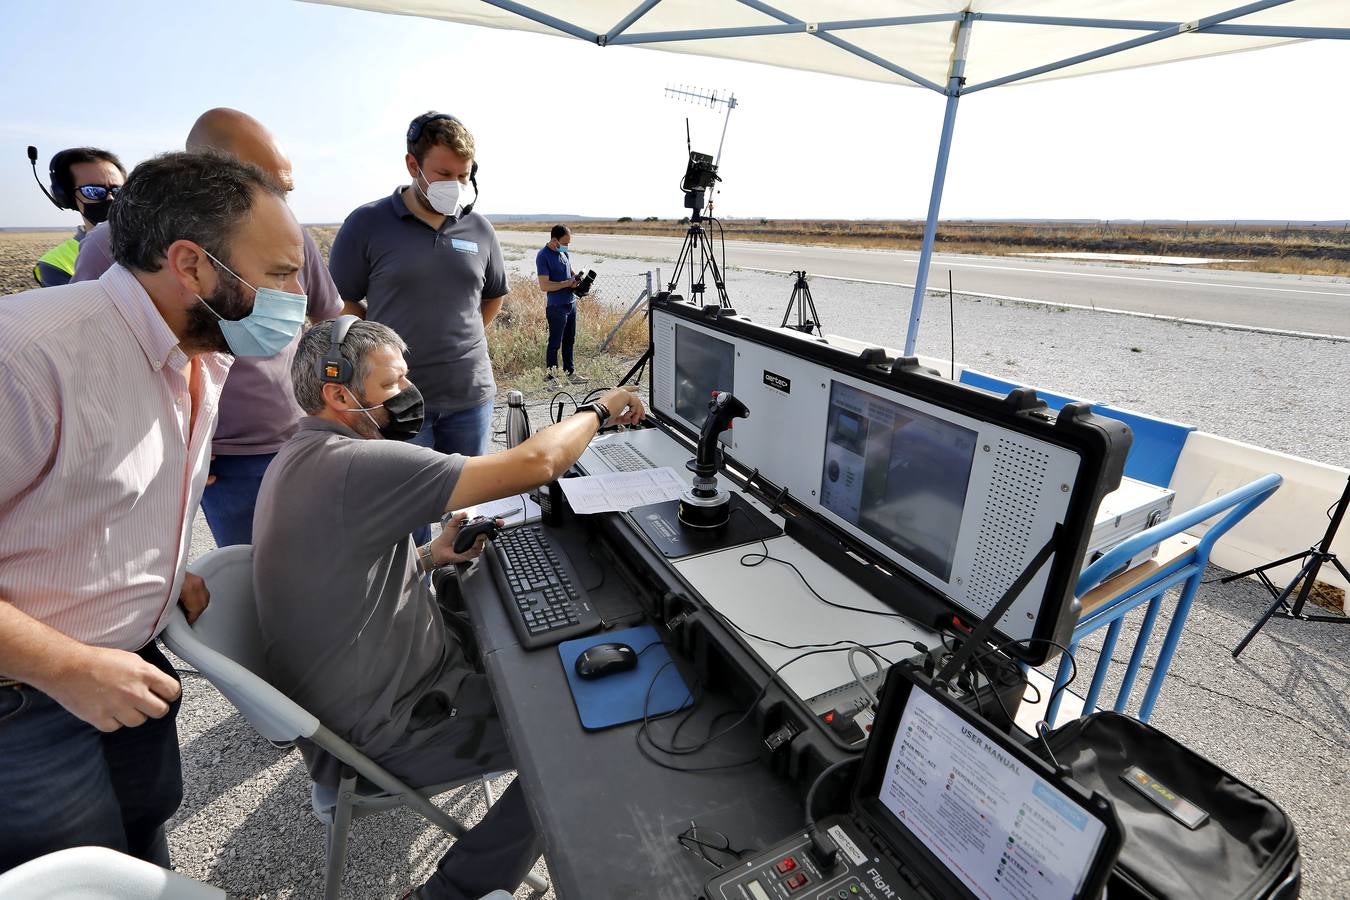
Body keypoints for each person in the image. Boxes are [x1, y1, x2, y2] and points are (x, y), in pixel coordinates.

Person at [253, 317, 643, 899]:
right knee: (578, 743)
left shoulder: (305, 453)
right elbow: (535, 465)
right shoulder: (355, 465)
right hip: (390, 728)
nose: (409, 396)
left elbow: (344, 576)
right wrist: (600, 409)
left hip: (373, 692)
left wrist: (430, 557)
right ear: (339, 395)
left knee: (529, 638)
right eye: (391, 386)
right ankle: (453, 893)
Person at [0, 151, 307, 874]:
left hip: (127, 666)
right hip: (30, 700)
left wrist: (158, 573)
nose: (298, 293)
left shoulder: (199, 350)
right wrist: (68, 666)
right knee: (80, 875)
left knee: (141, 854)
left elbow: (97, 498)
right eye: (282, 272)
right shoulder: (30, 355)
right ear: (193, 266)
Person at [73, 108, 351, 547]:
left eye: (283, 191)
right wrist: (174, 448)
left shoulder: (286, 233)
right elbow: (96, 364)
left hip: (304, 433)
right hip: (225, 460)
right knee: (256, 572)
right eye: (258, 186)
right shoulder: (113, 246)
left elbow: (330, 319)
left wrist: (339, 398)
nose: (274, 204)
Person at [328, 111, 507, 461]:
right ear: (413, 165)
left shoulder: (479, 228)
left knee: (469, 511)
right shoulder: (367, 224)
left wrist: (460, 339)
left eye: (463, 175)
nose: (454, 184)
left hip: (470, 395)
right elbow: (340, 301)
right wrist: (380, 345)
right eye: (443, 174)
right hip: (395, 400)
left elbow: (493, 296)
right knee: (408, 513)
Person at [32, 147, 126, 287]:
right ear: (67, 197)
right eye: (93, 191)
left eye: (118, 191)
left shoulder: (159, 241)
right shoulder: (56, 263)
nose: (111, 198)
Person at [536, 224, 586, 385]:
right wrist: (567, 283)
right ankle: (552, 378)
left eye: (568, 243)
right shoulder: (543, 256)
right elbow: (545, 286)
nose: (567, 246)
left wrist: (577, 280)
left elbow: (570, 272)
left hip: (571, 304)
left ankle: (570, 374)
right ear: (554, 240)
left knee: (569, 340)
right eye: (565, 243)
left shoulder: (564, 253)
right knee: (554, 343)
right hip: (556, 307)